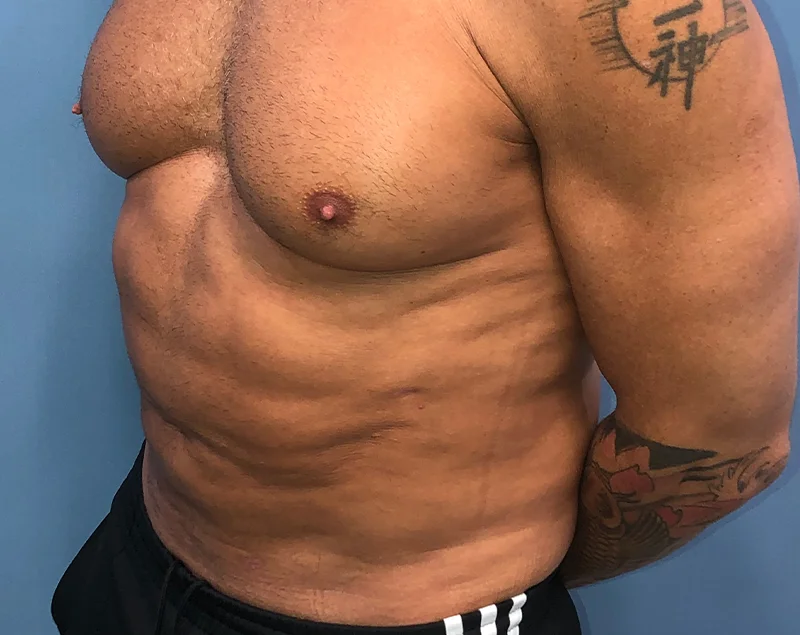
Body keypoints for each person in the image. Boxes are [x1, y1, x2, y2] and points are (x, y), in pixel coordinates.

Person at [52, 1, 798, 634]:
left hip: (418, 613)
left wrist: (500, 580)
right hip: (141, 557)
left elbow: (715, 437)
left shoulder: (628, 18)